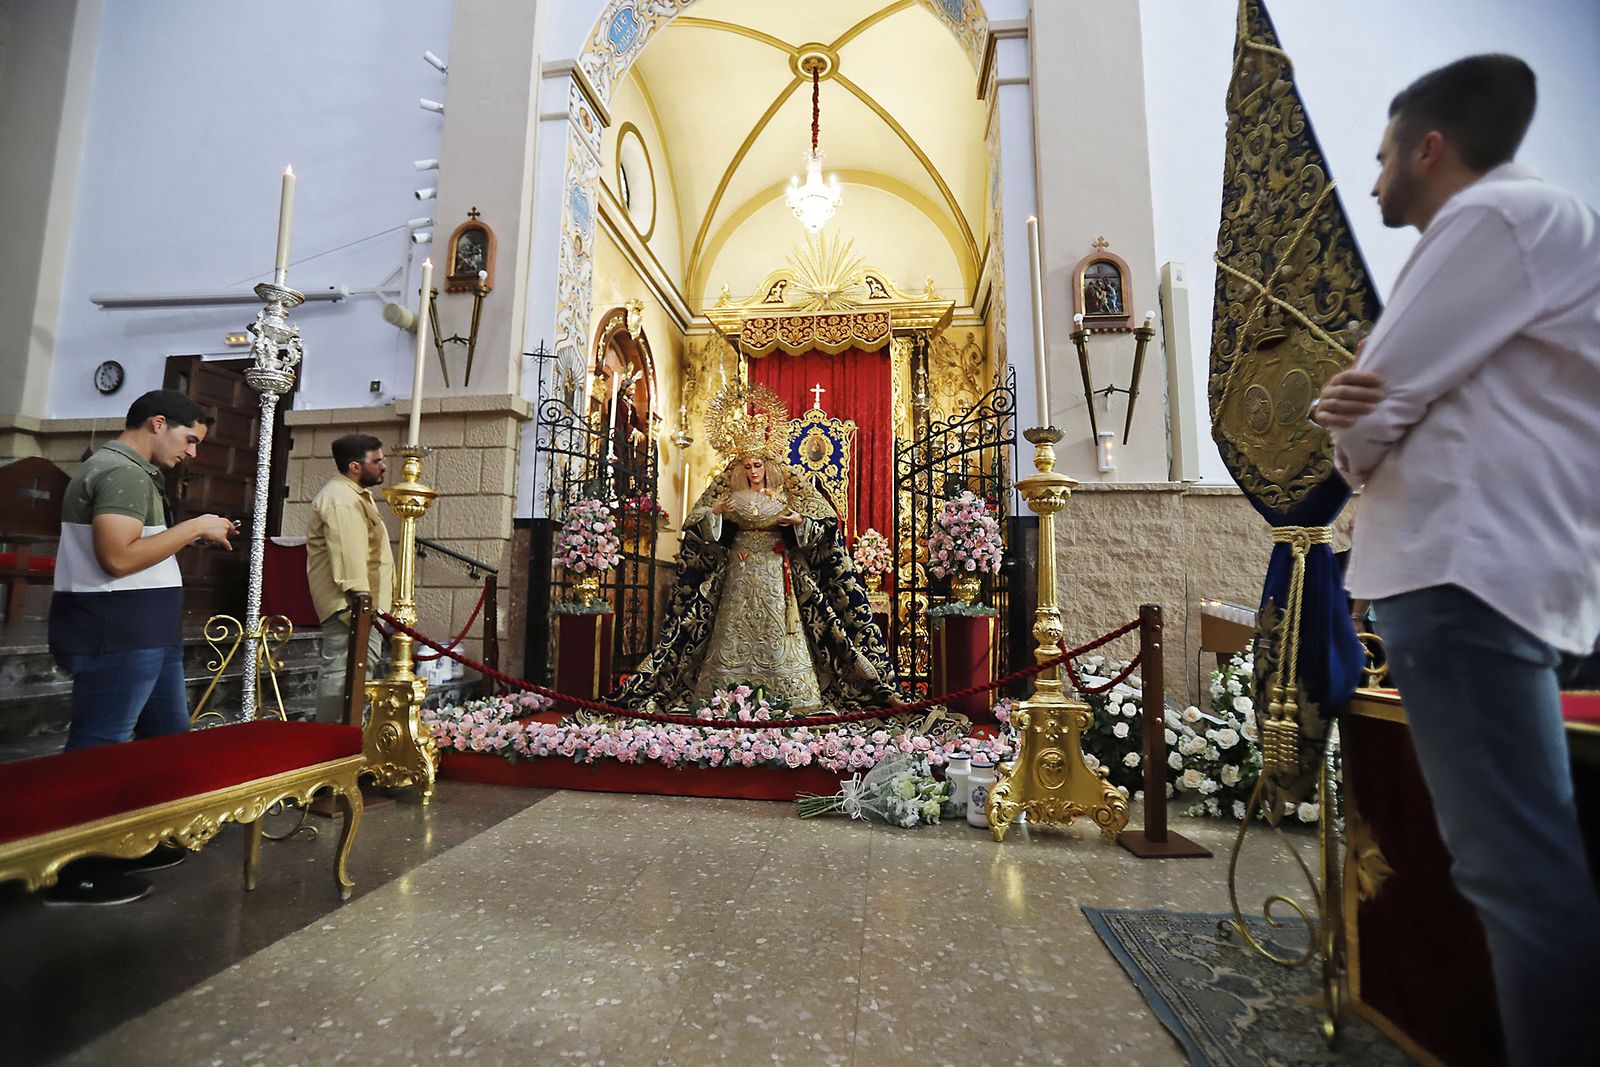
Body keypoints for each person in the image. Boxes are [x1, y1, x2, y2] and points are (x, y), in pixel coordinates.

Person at [1313, 54, 1600, 1065]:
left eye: (1386, 154)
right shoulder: (1535, 226)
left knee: (1514, 873)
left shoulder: (1488, 220)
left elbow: (1371, 401)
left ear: (1430, 149)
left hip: (1465, 572)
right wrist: (1363, 407)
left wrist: (1353, 420)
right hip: (1485, 566)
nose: (1377, 173)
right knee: (1517, 865)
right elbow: (1381, 396)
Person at [47, 388, 236, 904]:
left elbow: (137, 547)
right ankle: (74, 870)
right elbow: (118, 559)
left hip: (144, 629)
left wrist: (187, 536)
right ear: (157, 423)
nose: (193, 453)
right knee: (100, 746)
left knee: (165, 739)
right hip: (116, 631)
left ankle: (133, 842)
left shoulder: (133, 471)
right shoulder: (122, 472)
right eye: (189, 439)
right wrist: (193, 526)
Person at [613, 450, 897, 715]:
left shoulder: (787, 493)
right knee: (734, 623)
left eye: (758, 465)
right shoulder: (731, 494)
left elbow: (823, 522)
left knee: (779, 625)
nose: (753, 472)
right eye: (747, 467)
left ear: (768, 465)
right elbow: (699, 525)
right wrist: (717, 512)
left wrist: (799, 521)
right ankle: (725, 691)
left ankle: (788, 688)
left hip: (776, 567)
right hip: (740, 566)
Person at [306, 434, 393, 723]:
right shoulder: (341, 498)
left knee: (357, 672)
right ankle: (331, 741)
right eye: (377, 461)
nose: (384, 466)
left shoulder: (353, 494)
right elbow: (349, 553)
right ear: (355, 466)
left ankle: (347, 734)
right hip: (351, 604)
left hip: (361, 603)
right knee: (342, 672)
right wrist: (361, 599)